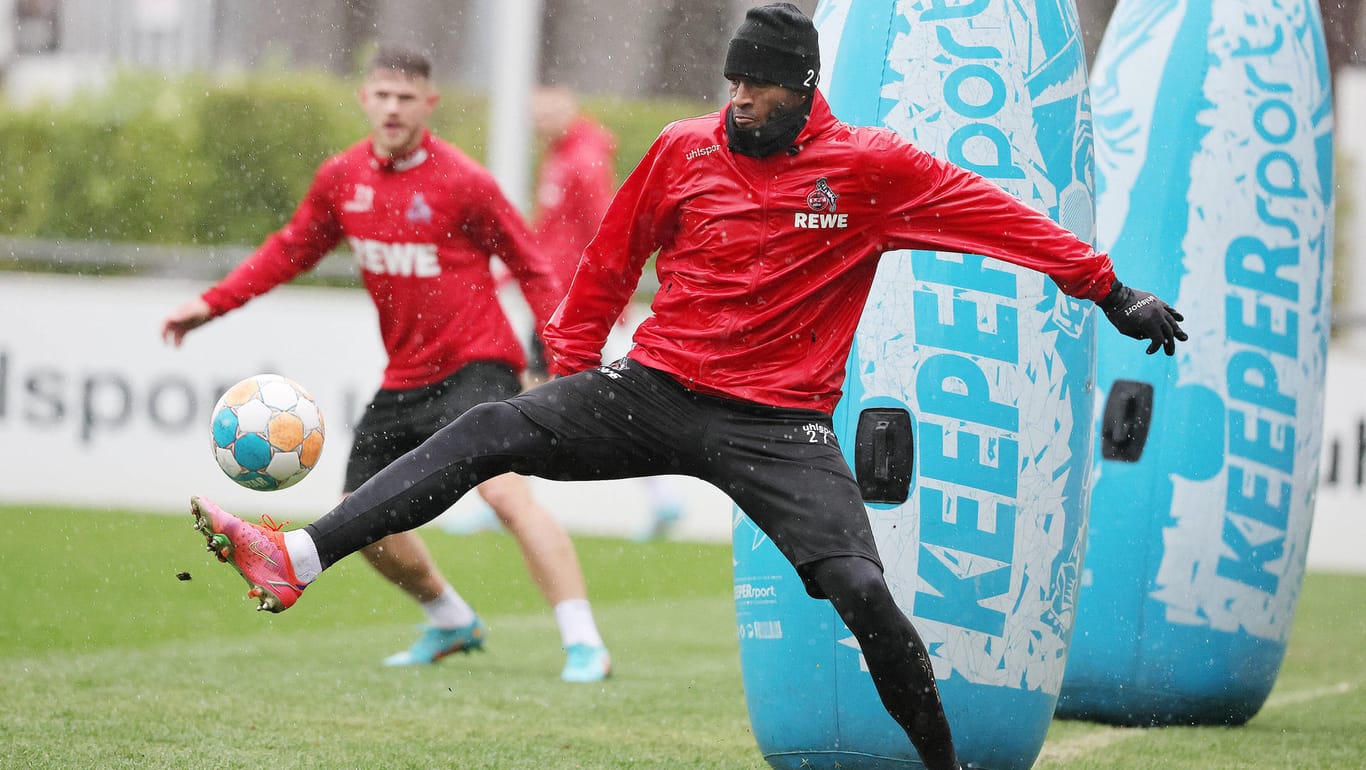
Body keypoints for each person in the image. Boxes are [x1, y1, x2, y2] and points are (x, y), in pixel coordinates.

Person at [184, 7, 1185, 769]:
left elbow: (995, 218)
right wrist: (567, 374)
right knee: (491, 426)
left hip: (779, 427)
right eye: (731, 86)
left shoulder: (872, 170)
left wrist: (1109, 291)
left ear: (801, 92)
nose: (737, 103)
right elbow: (610, 266)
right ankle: (299, 556)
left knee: (865, 594)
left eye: (757, 91)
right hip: (655, 386)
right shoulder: (682, 150)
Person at [162, 46, 611, 683]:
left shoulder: (465, 182)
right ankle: (452, 620)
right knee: (361, 515)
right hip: (403, 377)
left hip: (477, 364)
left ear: (429, 103)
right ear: (365, 100)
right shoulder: (343, 179)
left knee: (506, 494)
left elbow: (534, 266)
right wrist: (211, 305)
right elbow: (290, 251)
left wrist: (564, 354)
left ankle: (584, 641)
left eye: (407, 97)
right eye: (383, 95)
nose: (394, 107)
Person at [528, 83, 686, 541]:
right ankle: (661, 495)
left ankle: (508, 496)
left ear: (570, 108)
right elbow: (552, 227)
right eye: (535, 112)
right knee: (542, 392)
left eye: (549, 109)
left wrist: (612, 295)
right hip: (556, 297)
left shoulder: (583, 157)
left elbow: (607, 225)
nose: (540, 120)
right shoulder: (560, 153)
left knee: (593, 397)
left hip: (573, 304)